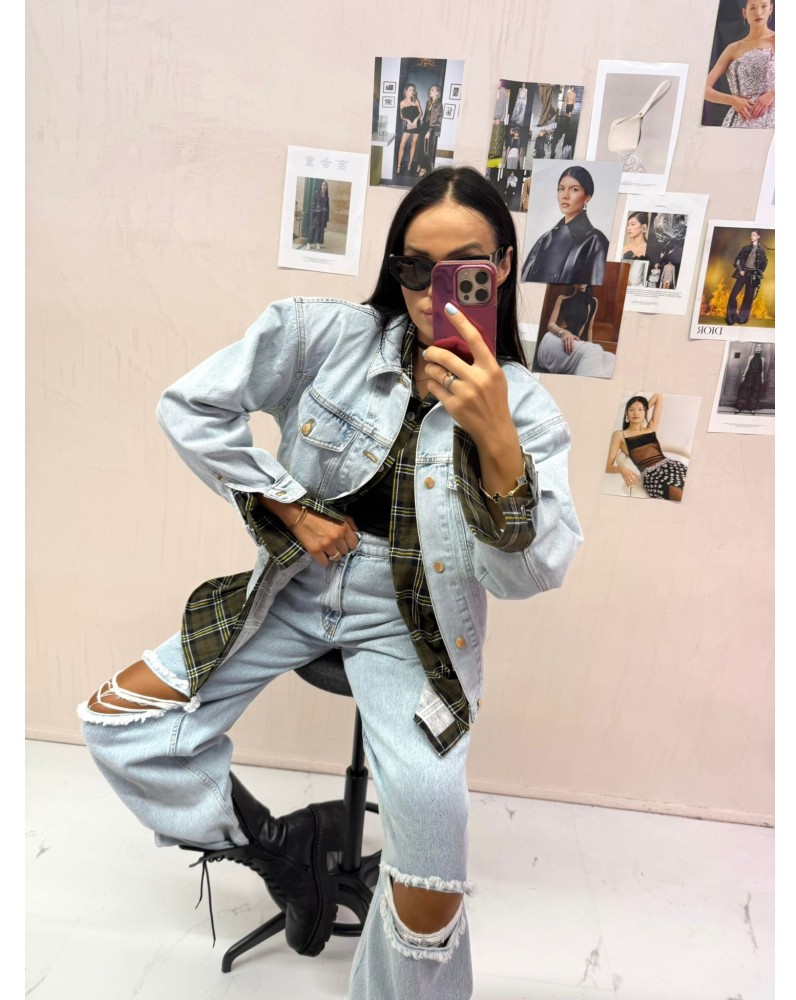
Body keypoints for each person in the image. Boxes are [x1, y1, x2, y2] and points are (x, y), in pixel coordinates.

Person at [78, 166, 582, 1000]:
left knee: (431, 891)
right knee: (118, 723)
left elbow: (532, 572)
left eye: (464, 269)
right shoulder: (327, 338)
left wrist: (495, 439)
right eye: (415, 268)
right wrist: (288, 505)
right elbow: (189, 406)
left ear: (501, 267)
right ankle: (285, 852)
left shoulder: (523, 408)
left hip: (413, 624)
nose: (433, 294)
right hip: (297, 586)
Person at [521, 166, 609, 285]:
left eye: (574, 190)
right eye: (561, 189)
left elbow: (596, 290)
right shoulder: (545, 238)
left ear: (587, 197)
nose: (565, 195)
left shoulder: (596, 241)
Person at [705, 1, 775, 128]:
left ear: (771, 9)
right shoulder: (733, 48)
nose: (758, 12)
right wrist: (733, 100)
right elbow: (704, 89)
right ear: (744, 12)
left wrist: (772, 94)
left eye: (763, 6)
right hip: (740, 120)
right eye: (752, 8)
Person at [606, 394, 687, 502]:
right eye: (631, 410)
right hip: (653, 477)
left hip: (672, 466)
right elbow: (607, 467)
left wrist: (644, 409)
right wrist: (622, 469)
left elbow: (658, 396)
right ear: (626, 413)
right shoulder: (619, 435)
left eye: (640, 410)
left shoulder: (651, 427)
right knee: (681, 495)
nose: (636, 413)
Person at [536, 284, 614, 378]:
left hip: (574, 343)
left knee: (610, 358)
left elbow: (589, 328)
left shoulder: (593, 302)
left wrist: (589, 346)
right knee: (596, 349)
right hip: (557, 339)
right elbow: (550, 324)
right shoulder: (562, 298)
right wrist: (564, 333)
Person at [726, 229, 768, 324]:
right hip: (743, 273)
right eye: (751, 235)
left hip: (753, 275)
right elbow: (737, 260)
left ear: (758, 236)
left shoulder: (761, 250)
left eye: (754, 235)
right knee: (733, 295)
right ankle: (732, 318)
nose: (752, 237)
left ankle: (742, 318)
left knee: (748, 298)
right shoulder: (745, 248)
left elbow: (765, 262)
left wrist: (758, 273)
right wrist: (740, 269)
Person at [413, 85, 443, 177]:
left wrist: (429, 131)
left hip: (431, 127)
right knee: (421, 145)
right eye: (430, 89)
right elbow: (426, 115)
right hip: (425, 126)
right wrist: (423, 125)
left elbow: (435, 120)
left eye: (433, 90)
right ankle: (419, 164)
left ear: (437, 93)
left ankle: (424, 168)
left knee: (426, 148)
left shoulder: (439, 104)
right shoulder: (428, 102)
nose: (430, 91)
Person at [396, 83, 423, 175]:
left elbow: (420, 113)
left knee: (413, 144)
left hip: (416, 124)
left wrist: (416, 120)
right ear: (406, 91)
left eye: (413, 90)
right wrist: (407, 120)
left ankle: (410, 164)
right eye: (410, 90)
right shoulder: (402, 103)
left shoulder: (416, 101)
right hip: (408, 125)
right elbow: (401, 116)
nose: (412, 92)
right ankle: (398, 166)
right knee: (402, 145)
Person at [735, 343, 765, 413]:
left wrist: (762, 378)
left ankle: (752, 408)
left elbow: (762, 370)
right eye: (757, 347)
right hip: (750, 376)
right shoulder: (750, 357)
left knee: (755, 392)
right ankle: (739, 408)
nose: (758, 348)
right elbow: (747, 366)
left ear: (761, 349)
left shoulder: (763, 359)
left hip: (757, 377)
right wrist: (743, 375)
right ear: (755, 349)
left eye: (760, 347)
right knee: (745, 391)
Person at [305, 180, 329, 250]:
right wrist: (315, 211)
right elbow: (313, 204)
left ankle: (318, 243)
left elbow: (328, 207)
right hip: (317, 214)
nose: (324, 186)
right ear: (321, 186)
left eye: (325, 185)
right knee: (313, 228)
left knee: (321, 230)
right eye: (323, 185)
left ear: (327, 187)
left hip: (323, 215)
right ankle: (308, 243)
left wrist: (327, 217)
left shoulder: (327, 197)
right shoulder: (317, 194)